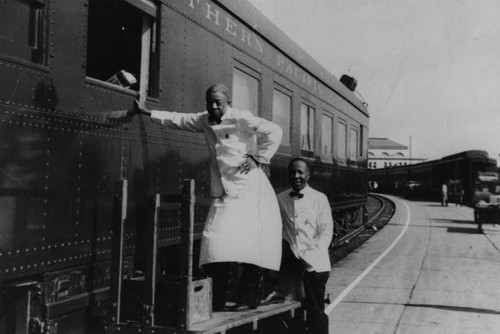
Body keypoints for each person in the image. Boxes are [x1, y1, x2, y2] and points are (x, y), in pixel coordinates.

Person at [132, 83, 283, 311]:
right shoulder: (204, 119)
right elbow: (179, 119)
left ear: (228, 102)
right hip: (224, 193)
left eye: (218, 102)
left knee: (250, 247)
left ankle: (246, 299)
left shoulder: (242, 118)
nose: (213, 106)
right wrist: (148, 112)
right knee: (215, 243)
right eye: (210, 101)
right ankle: (216, 299)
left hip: (251, 191)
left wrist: (258, 158)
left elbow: (275, 131)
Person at [262, 157, 333, 334]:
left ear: (308, 174)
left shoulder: (319, 199)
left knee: (315, 311)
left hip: (315, 264)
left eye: (300, 172)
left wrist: (307, 260)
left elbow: (325, 234)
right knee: (290, 312)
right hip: (291, 263)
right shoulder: (280, 199)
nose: (296, 176)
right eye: (293, 172)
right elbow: (276, 230)